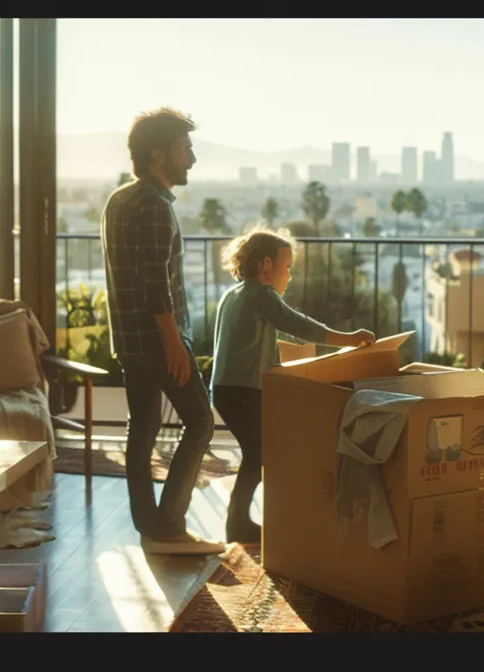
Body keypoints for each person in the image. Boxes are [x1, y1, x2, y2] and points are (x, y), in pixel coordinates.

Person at [100, 107, 223, 555]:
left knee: (143, 428)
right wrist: (173, 341)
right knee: (201, 423)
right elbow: (155, 282)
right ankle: (169, 526)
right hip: (157, 340)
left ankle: (150, 527)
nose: (191, 159)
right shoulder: (154, 205)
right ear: (158, 156)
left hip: (129, 340)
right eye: (184, 150)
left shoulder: (120, 199)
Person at [210, 228, 373, 543]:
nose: (289, 276)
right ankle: (240, 524)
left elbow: (252, 346)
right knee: (259, 455)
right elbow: (299, 325)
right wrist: (349, 340)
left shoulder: (234, 294)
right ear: (266, 264)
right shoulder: (261, 294)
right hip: (243, 390)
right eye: (287, 267)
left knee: (257, 454)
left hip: (226, 389)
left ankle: (241, 522)